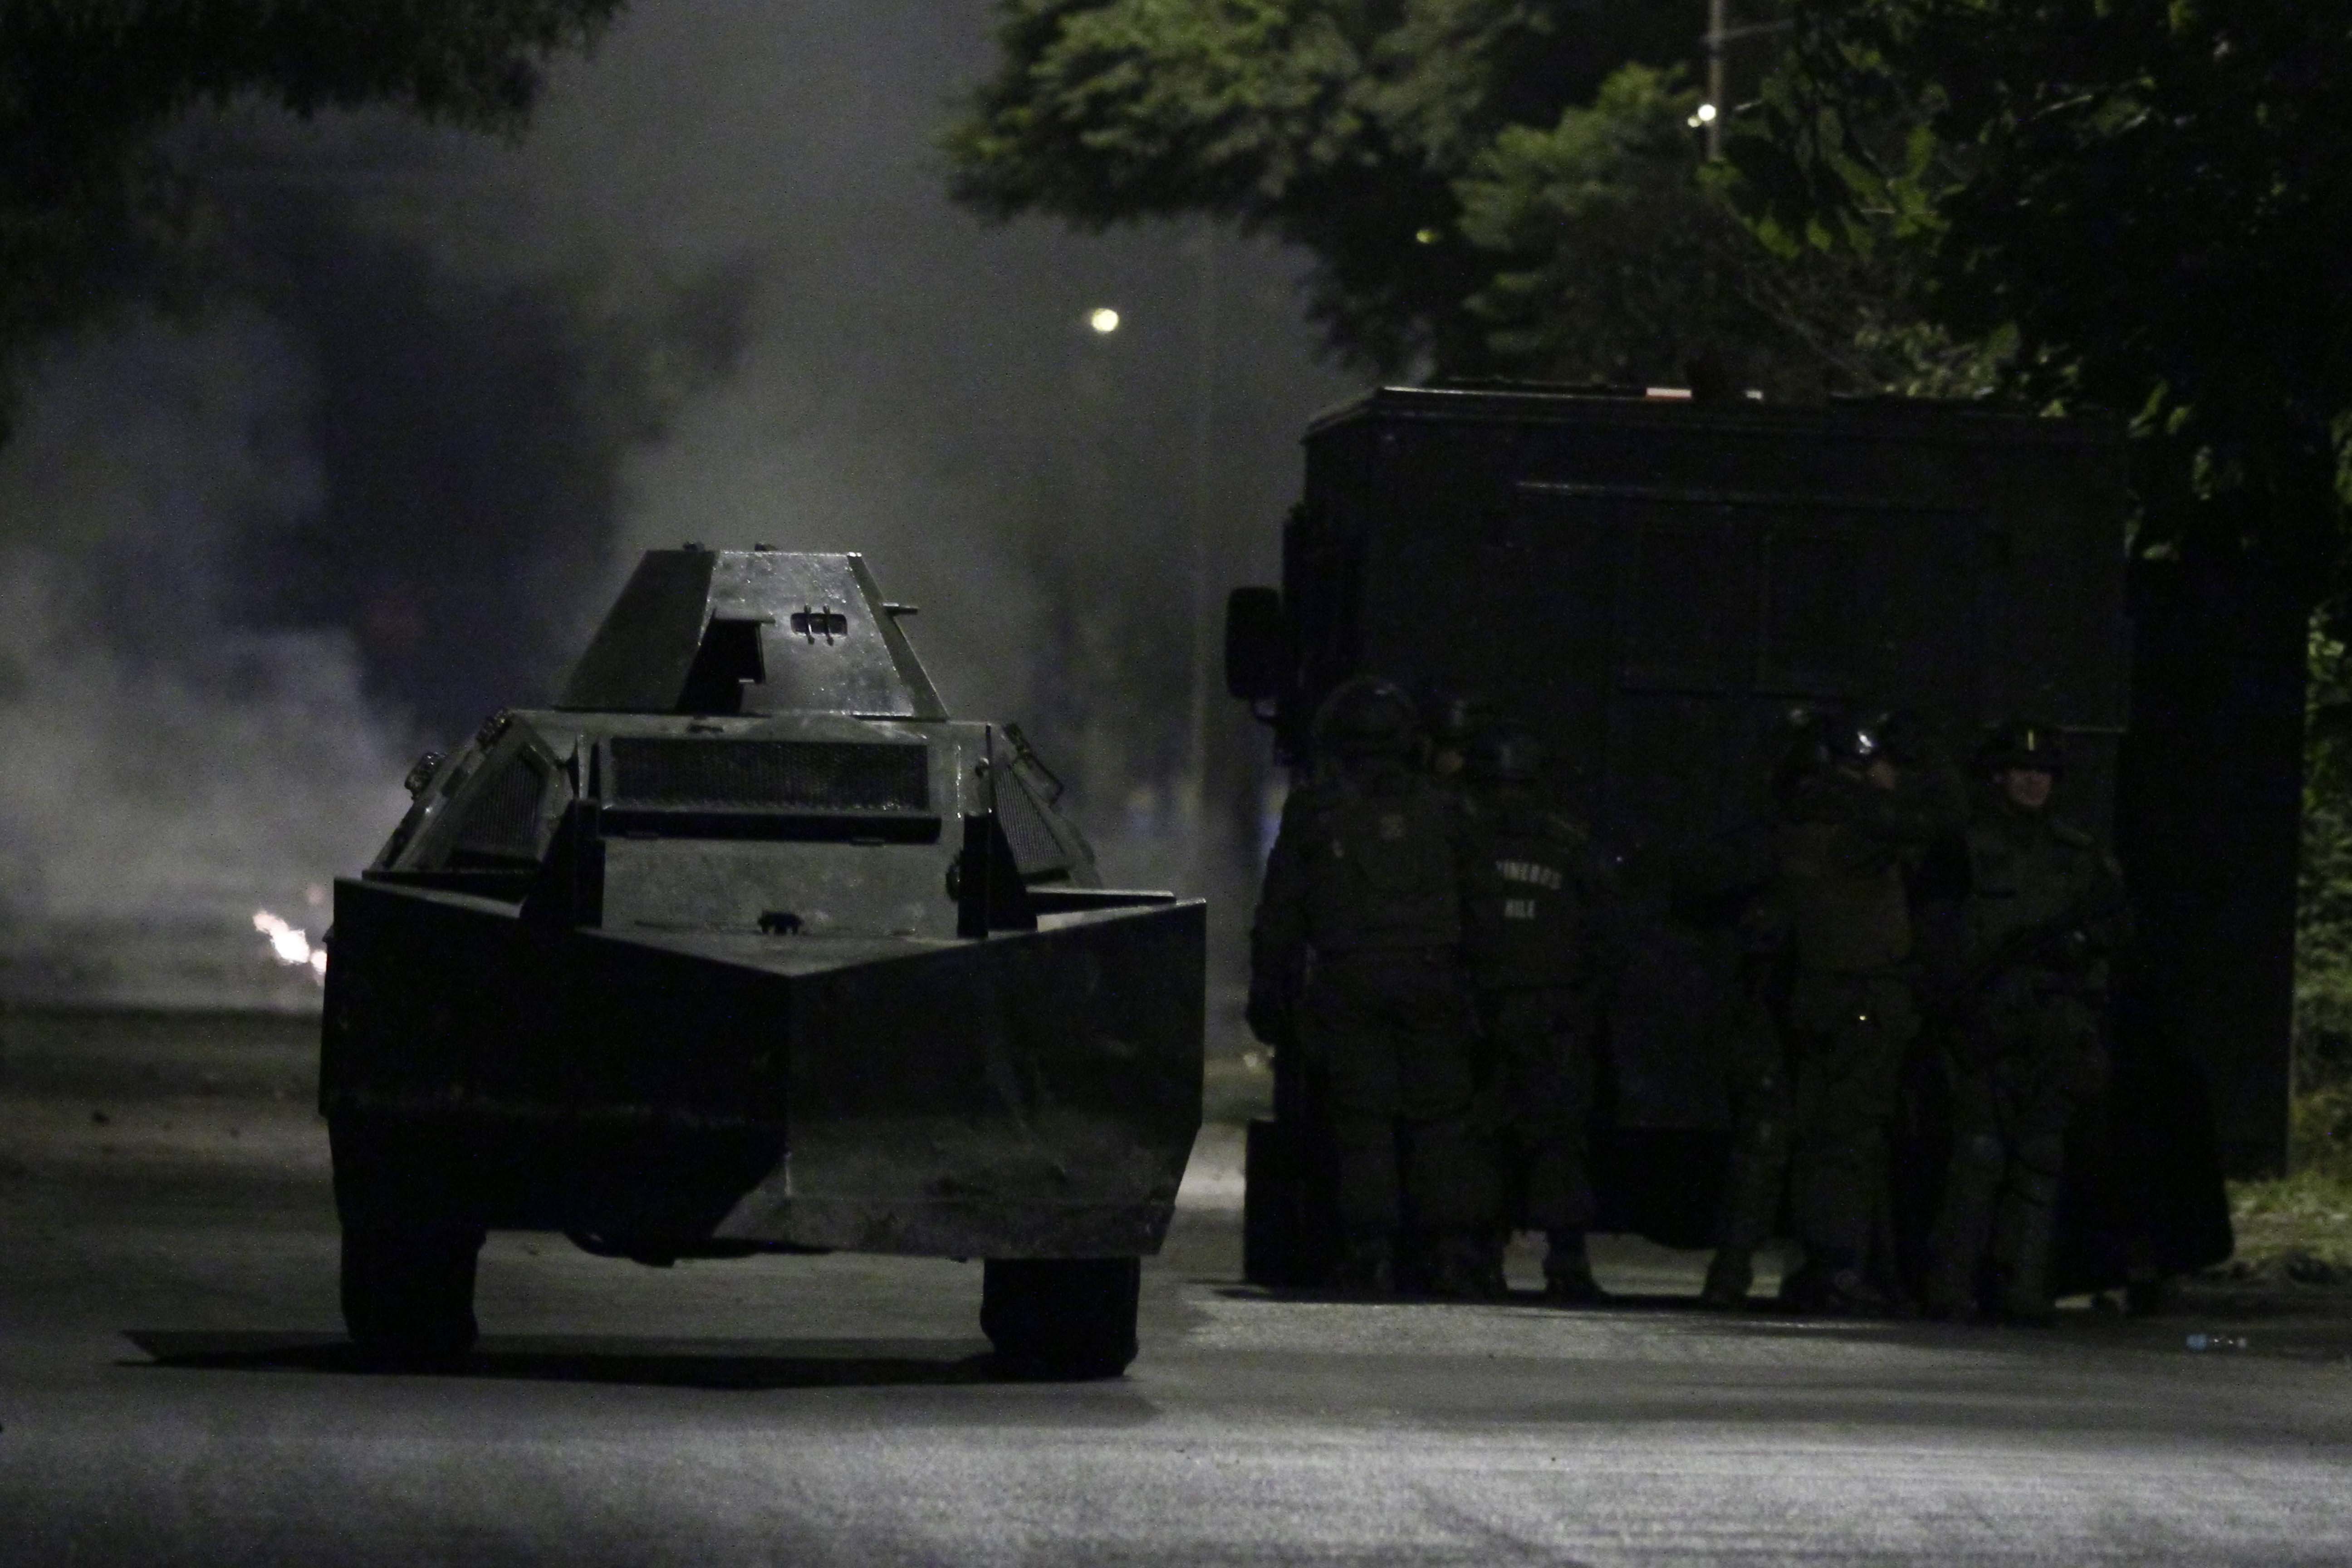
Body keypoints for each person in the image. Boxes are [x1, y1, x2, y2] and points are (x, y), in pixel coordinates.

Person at [1248, 675, 1493, 1296]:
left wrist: (1270, 995)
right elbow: (1481, 905)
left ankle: (1371, 1252)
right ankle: (1449, 1254)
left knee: (1364, 1122)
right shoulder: (1446, 808)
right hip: (1434, 978)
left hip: (1349, 980)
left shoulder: (1315, 811)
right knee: (1441, 1120)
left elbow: (1280, 914)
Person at [1922, 721, 2129, 1324]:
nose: (2033, 781)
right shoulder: (1964, 845)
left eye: (2042, 773)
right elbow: (1936, 934)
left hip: (2056, 1019)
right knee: (1978, 1154)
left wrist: (2081, 944)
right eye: (2021, 771)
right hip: (1985, 1017)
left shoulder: (2080, 852)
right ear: (1998, 777)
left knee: (2040, 1156)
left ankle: (2022, 1287)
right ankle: (1952, 1286)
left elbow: (2120, 930)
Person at [1772, 706, 1967, 1314]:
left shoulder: (1803, 814)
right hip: (1862, 999)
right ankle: (1840, 1268)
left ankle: (1820, 1265)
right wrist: (1931, 754)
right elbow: (1946, 820)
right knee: (1851, 1142)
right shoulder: (1860, 823)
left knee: (1817, 1135)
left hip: (1817, 996)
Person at [1457, 721, 1617, 1302]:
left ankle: (1480, 1259)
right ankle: (1566, 1261)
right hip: (1551, 1014)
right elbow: (1604, 935)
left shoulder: (1465, 846)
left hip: (1489, 1011)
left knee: (1484, 1140)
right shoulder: (1570, 846)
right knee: (1557, 1142)